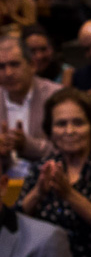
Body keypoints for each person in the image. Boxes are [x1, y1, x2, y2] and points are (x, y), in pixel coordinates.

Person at [18, 87, 91, 257]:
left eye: (78, 123)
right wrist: (38, 193)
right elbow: (12, 227)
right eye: (61, 124)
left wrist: (69, 194)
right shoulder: (40, 169)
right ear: (50, 130)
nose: (69, 131)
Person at [0, 35, 60, 169]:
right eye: (1, 67)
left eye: (14, 64)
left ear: (32, 65)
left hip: (46, 179)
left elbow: (66, 149)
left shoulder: (55, 96)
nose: (8, 73)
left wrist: (27, 146)